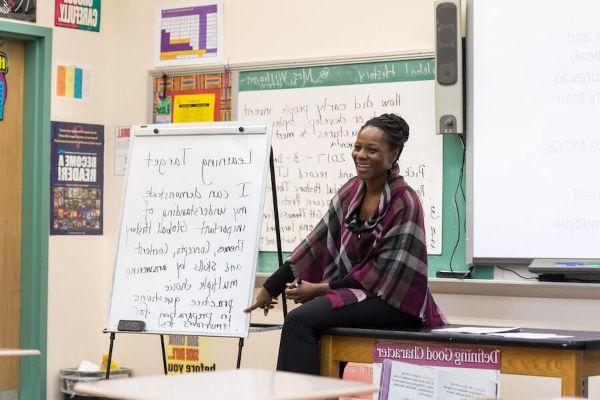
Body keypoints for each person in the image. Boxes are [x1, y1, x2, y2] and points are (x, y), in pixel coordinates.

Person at [244, 113, 445, 375]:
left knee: (299, 320)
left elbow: (381, 273)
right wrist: (272, 286)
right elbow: (315, 241)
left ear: (393, 154)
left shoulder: (404, 201)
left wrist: (319, 289)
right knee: (310, 325)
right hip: (359, 293)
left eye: (372, 150)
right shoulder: (351, 191)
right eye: (358, 147)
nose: (361, 155)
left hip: (395, 301)